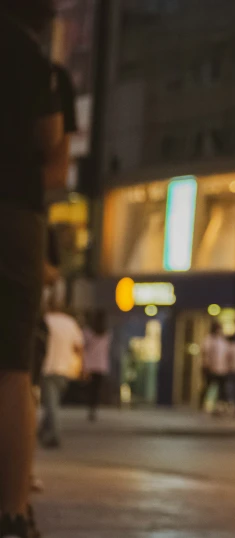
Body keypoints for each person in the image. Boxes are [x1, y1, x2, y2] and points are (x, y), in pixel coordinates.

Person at [0, 0, 68, 534]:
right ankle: (14, 509)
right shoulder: (27, 55)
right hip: (14, 212)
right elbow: (51, 145)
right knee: (12, 370)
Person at [38, 302, 83, 449]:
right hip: (66, 367)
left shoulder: (46, 320)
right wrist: (80, 366)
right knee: (53, 402)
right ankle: (42, 431)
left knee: (51, 403)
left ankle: (54, 434)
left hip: (48, 366)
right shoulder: (71, 323)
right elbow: (78, 347)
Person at [83, 311, 111, 422]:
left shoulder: (87, 332)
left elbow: (84, 346)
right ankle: (93, 408)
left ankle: (90, 407)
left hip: (90, 364)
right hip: (101, 365)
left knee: (90, 389)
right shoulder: (107, 334)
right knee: (97, 389)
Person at [200, 322, 228, 413]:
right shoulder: (209, 339)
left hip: (222, 369)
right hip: (211, 368)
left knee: (221, 389)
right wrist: (208, 365)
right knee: (208, 386)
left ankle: (219, 406)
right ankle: (203, 404)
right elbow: (205, 352)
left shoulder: (223, 341)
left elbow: (226, 355)